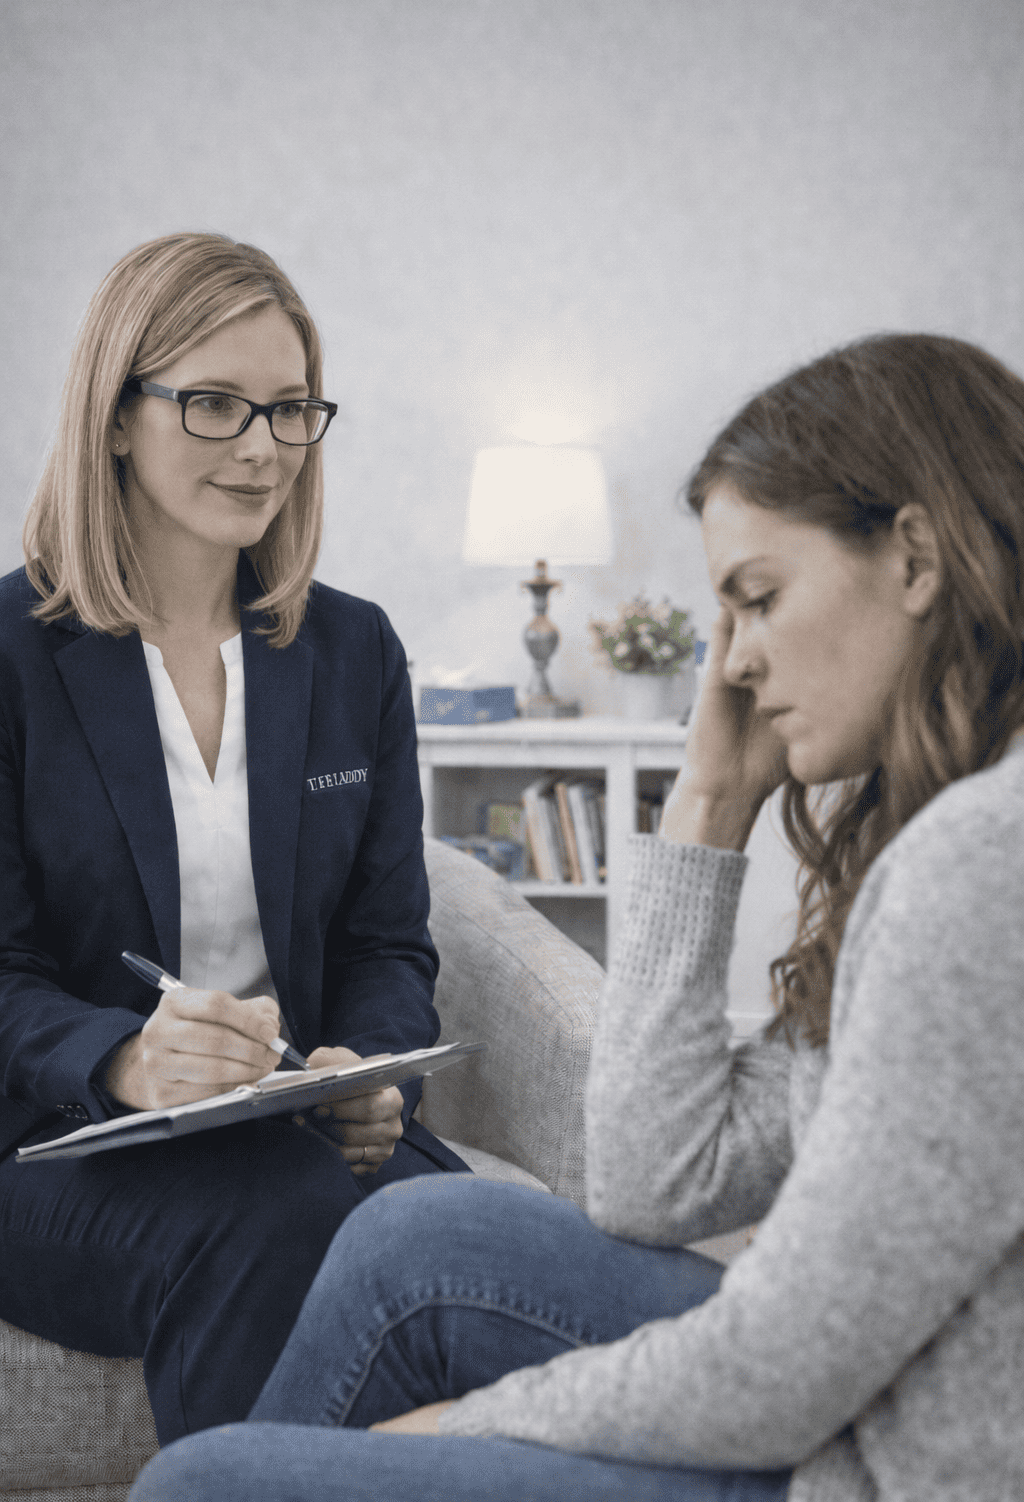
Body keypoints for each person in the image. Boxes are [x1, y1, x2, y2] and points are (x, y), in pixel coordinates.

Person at [129, 332, 1024, 1501]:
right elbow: (658, 1183)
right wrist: (703, 809)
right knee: (420, 1238)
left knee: (208, 1485)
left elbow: (783, 1369)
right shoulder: (951, 831)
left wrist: (468, 1428)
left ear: (914, 557)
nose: (736, 666)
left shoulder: (976, 865)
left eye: (757, 600)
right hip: (862, 1398)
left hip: (891, 1465)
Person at [0, 232, 470, 1447]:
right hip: (53, 1150)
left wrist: (370, 1073)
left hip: (294, 1126)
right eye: (214, 404)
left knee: (470, 1246)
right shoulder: (8, 657)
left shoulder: (354, 651)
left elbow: (386, 945)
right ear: (115, 415)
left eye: (290, 409)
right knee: (281, 1219)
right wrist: (124, 1061)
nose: (261, 446)